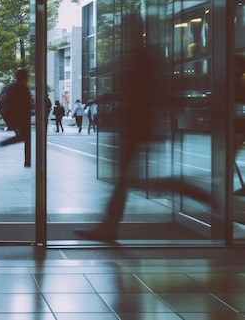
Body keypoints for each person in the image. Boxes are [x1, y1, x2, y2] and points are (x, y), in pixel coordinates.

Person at [75, 44, 211, 241]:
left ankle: (201, 193)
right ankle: (109, 226)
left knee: (132, 181)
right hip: (137, 130)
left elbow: (141, 99)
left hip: (136, 131)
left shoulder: (142, 65)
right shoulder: (145, 64)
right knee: (129, 181)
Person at [0, 68, 33, 167]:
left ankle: (28, 161)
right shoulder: (22, 89)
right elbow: (24, 106)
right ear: (26, 78)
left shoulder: (11, 87)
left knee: (25, 138)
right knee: (26, 138)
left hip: (17, 118)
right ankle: (27, 161)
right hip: (22, 119)